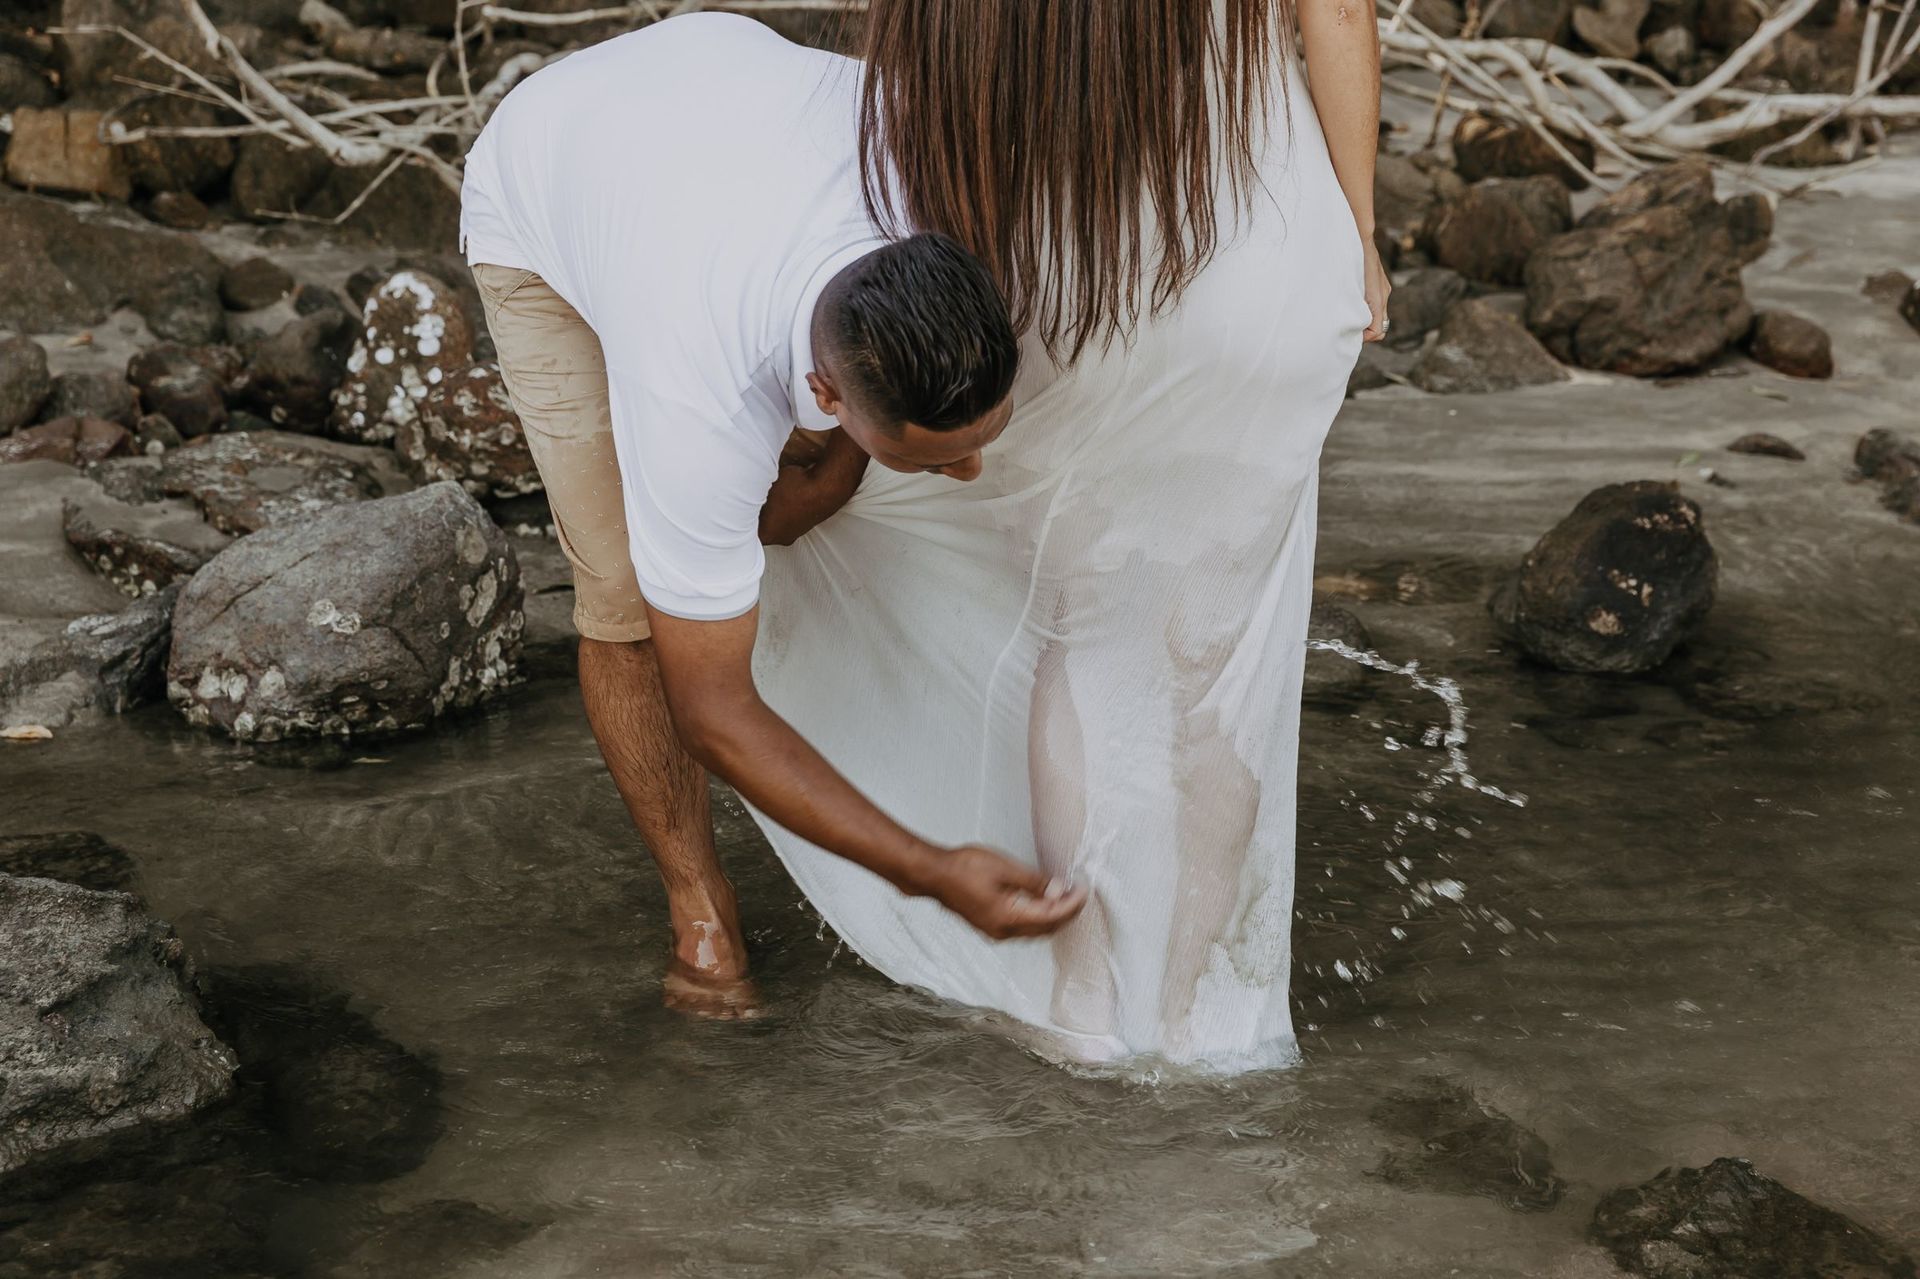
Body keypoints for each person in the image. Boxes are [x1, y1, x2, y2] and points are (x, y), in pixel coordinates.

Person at [743, 0, 1386, 1069]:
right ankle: (1196, 1014)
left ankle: (1084, 996)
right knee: (1219, 654)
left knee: (1081, 625)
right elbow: (1340, 14)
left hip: (1068, 262)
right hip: (1267, 243)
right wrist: (1358, 228)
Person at [458, 14, 1089, 1015]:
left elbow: (876, 359)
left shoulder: (947, 191)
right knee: (628, 601)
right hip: (543, 179)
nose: (970, 472)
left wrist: (837, 472)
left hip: (724, 86)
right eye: (939, 455)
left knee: (795, 509)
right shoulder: (696, 401)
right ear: (824, 390)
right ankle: (698, 905)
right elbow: (712, 713)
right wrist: (930, 870)